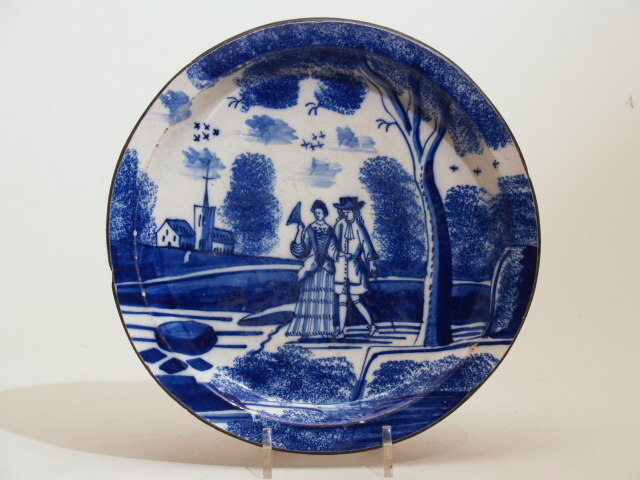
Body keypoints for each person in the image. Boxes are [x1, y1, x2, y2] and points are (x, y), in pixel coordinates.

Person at [286, 200, 337, 337]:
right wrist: (299, 232)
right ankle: (306, 329)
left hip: (325, 268)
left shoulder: (330, 229)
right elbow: (302, 250)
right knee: (310, 298)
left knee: (324, 298)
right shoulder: (309, 228)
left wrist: (330, 259)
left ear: (324, 213)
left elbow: (333, 248)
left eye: (319, 212)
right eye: (315, 213)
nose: (317, 215)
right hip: (312, 267)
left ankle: (324, 329)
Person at [330, 197, 379, 337]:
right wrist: (340, 254)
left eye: (349, 211)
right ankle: (341, 330)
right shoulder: (339, 225)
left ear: (355, 211)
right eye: (344, 211)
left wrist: (371, 264)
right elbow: (332, 245)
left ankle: (371, 325)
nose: (346, 214)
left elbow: (367, 246)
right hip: (340, 267)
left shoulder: (359, 226)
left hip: (355, 269)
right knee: (342, 300)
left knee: (356, 300)